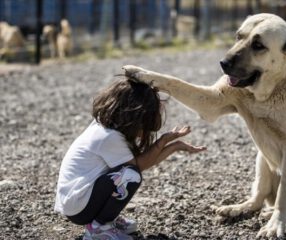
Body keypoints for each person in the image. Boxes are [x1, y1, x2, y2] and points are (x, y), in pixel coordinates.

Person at [54, 78, 206, 240]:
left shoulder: (105, 127)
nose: (144, 132)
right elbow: (137, 167)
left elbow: (138, 164)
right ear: (133, 116)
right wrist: (164, 141)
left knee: (129, 174)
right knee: (130, 176)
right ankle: (98, 228)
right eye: (144, 124)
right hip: (79, 207)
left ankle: (105, 220)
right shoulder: (108, 137)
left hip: (78, 202)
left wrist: (174, 146)